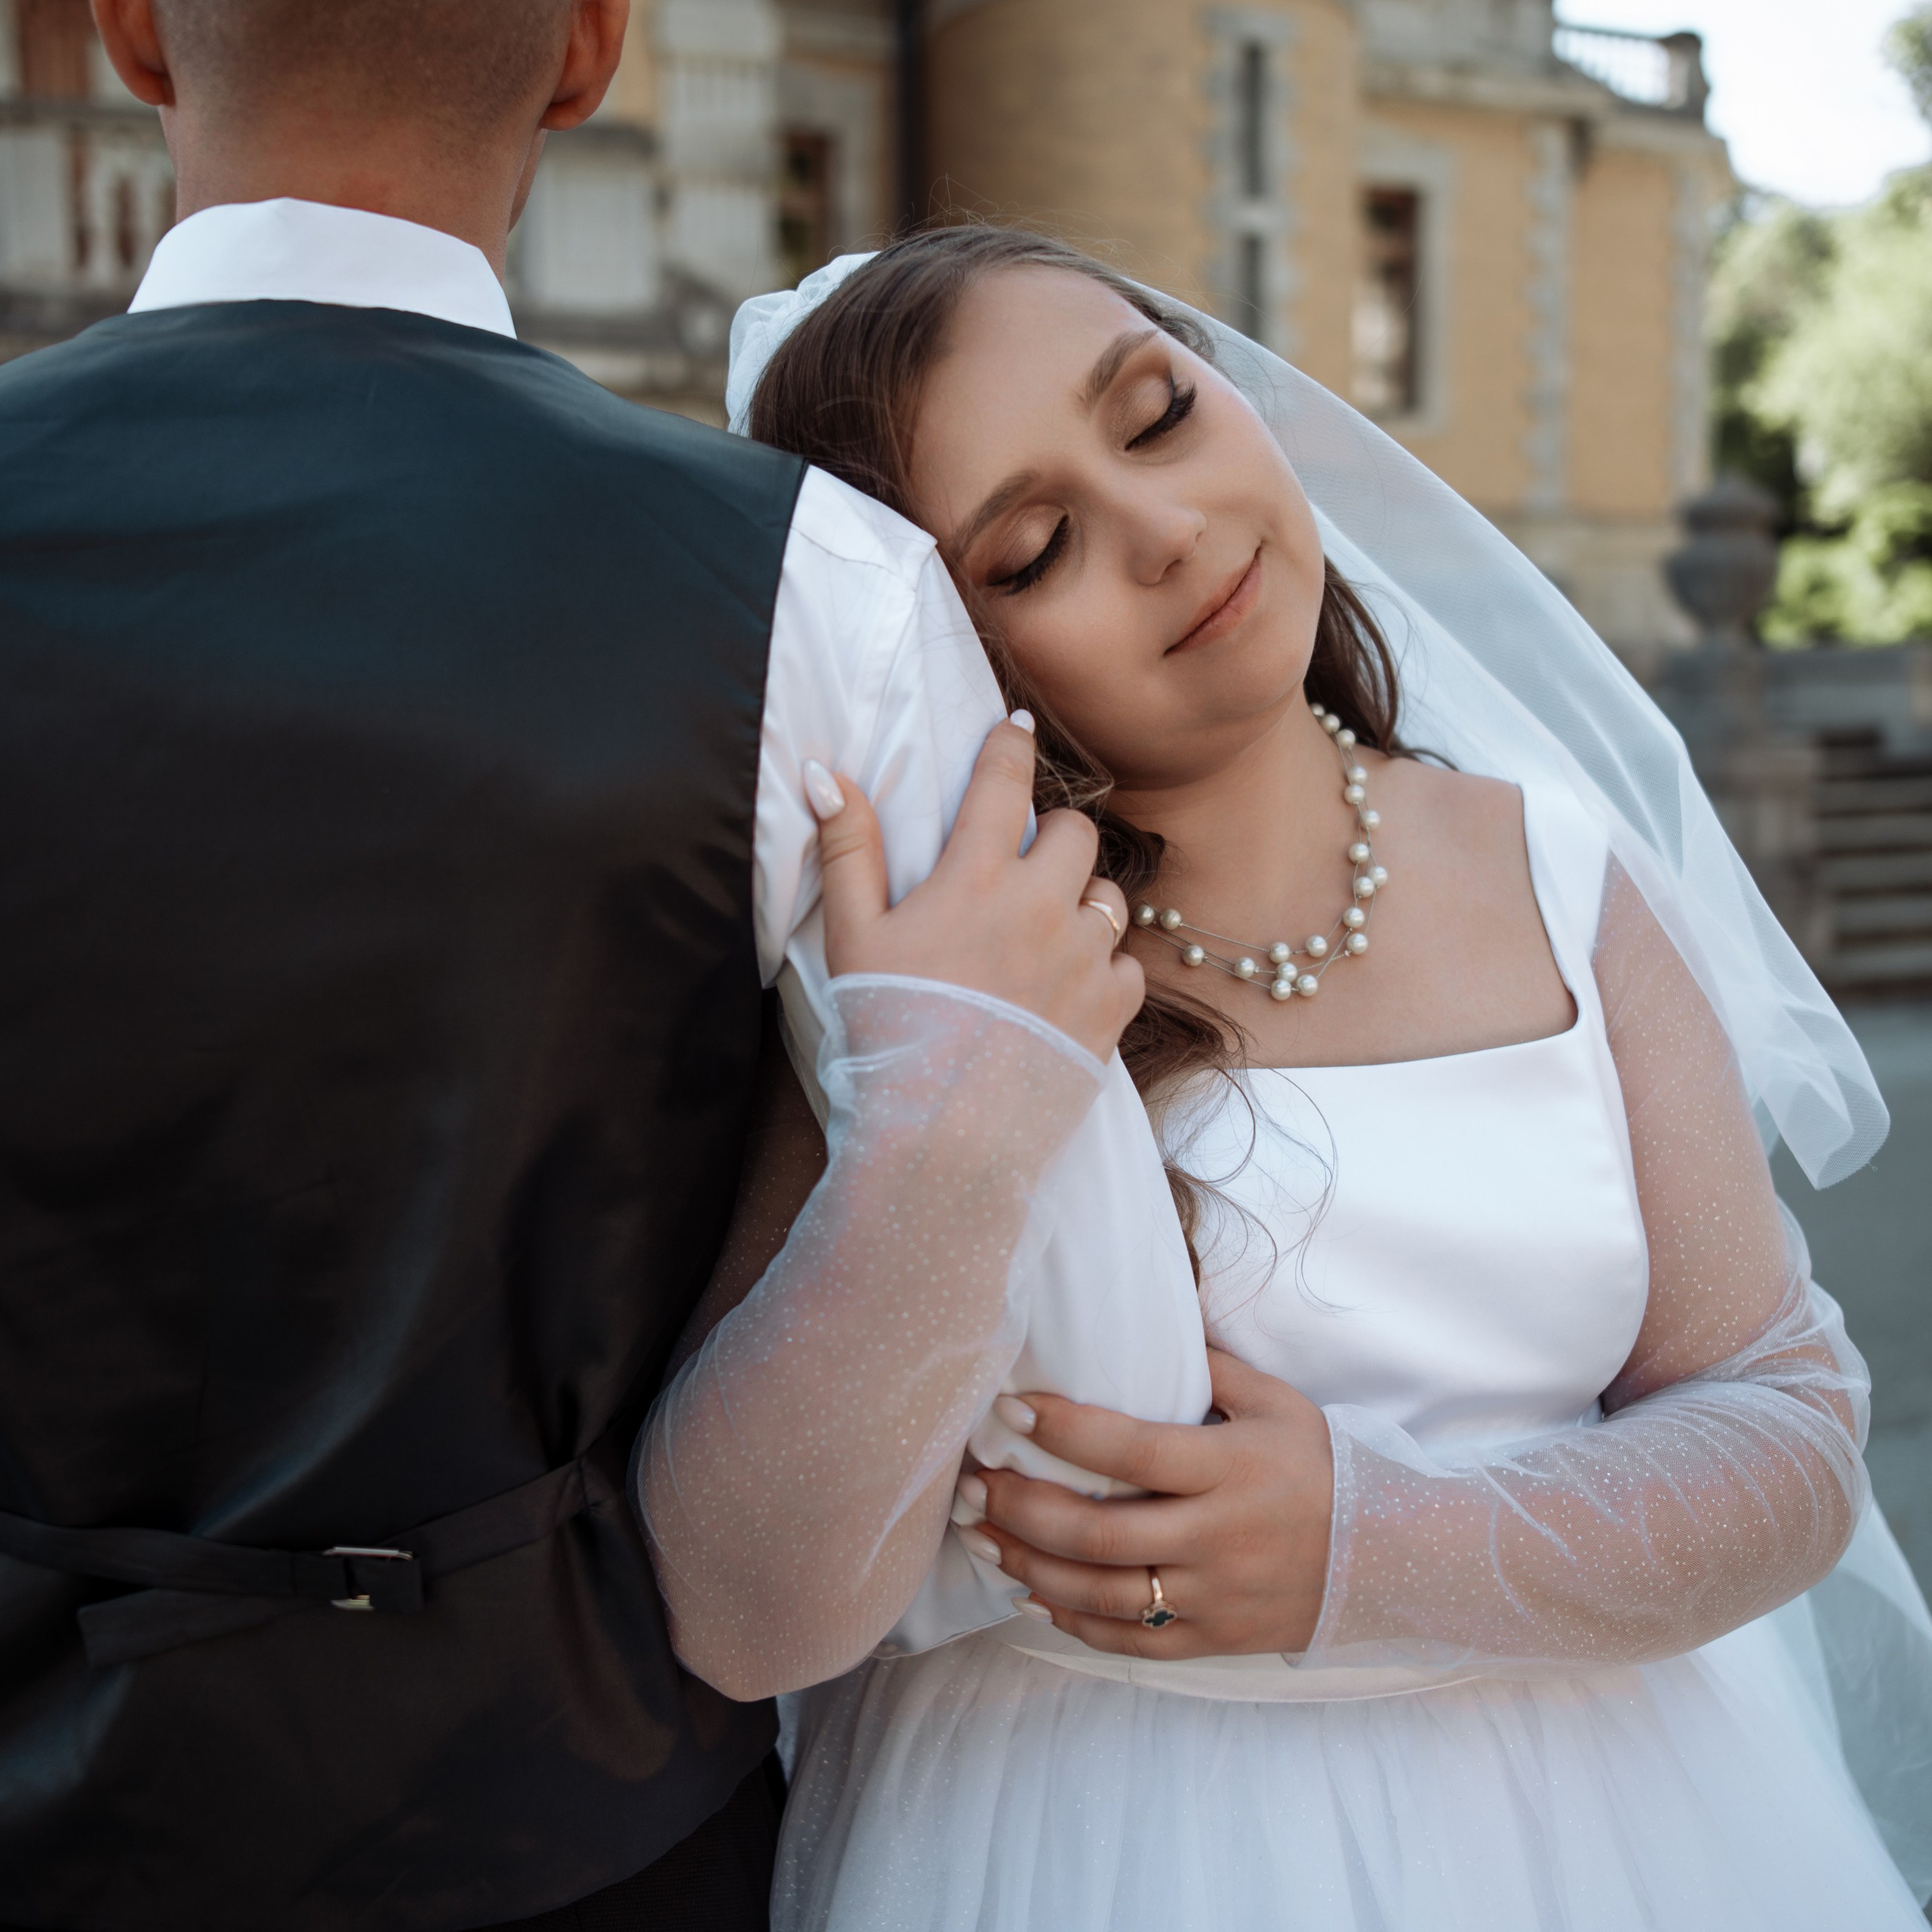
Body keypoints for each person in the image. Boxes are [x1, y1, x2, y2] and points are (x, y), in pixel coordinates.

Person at [0, 11, 1146, 1927]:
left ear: (130, 31)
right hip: (579, 1828)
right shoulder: (821, 588)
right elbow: (1049, 1365)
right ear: (591, 51)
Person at [645, 228, 1932, 1930]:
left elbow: (1787, 1431)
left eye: (1158, 414)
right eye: (1036, 549)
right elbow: (743, 1612)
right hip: (1071, 1852)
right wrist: (946, 1108)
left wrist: (1372, 1546)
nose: (1167, 531)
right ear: (943, 656)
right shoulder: (909, 992)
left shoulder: (1556, 872)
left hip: (1614, 1837)